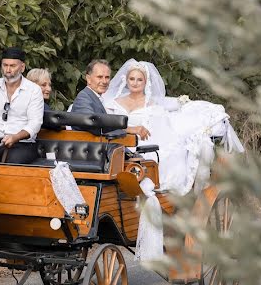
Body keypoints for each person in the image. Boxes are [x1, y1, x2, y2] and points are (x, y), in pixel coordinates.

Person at [101, 58, 244, 195]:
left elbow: (159, 129)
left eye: (139, 80)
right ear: (126, 80)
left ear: (145, 82)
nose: (135, 83)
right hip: (118, 142)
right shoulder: (114, 102)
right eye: (132, 79)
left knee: (160, 156)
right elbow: (107, 121)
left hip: (140, 141)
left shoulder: (151, 105)